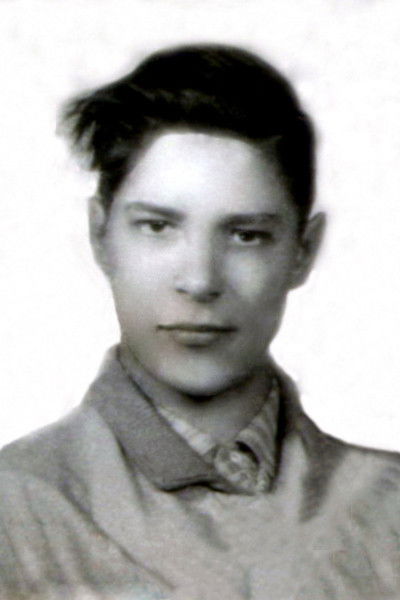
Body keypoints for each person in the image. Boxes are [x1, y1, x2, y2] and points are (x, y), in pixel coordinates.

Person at [0, 44, 399, 600]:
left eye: (246, 235)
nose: (200, 280)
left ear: (303, 251)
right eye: (158, 227)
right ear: (100, 235)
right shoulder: (14, 508)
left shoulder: (388, 508)